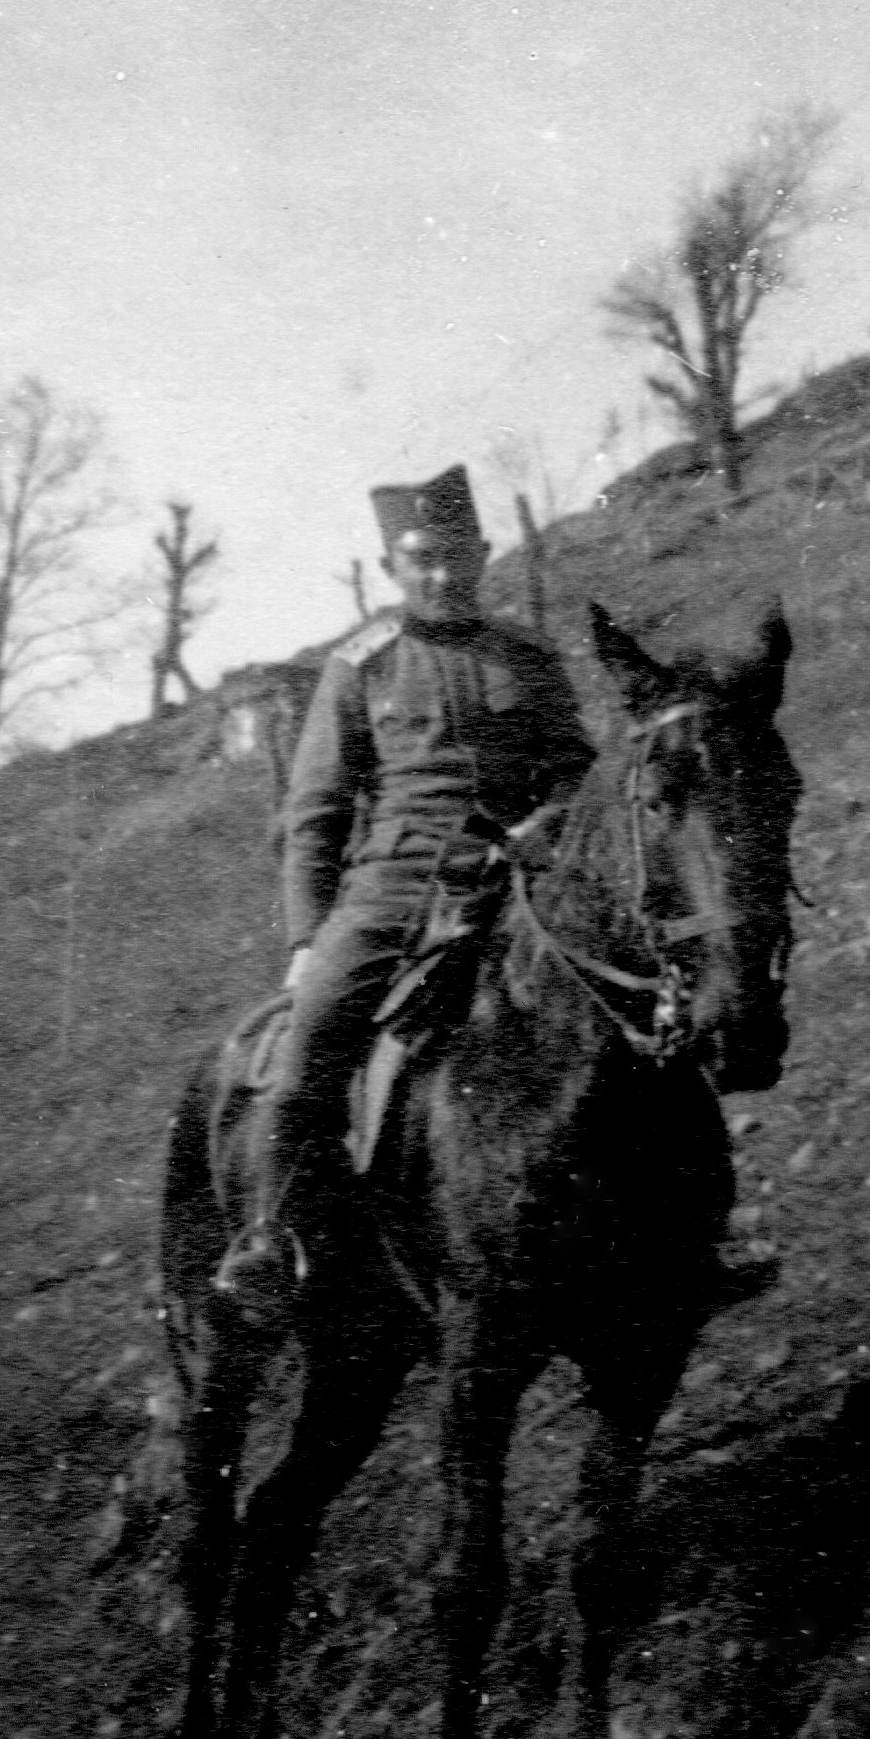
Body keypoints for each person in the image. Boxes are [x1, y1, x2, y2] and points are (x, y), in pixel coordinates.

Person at [214, 465, 596, 1305]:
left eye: (457, 555)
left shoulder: (528, 657)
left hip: (520, 887)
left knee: (639, 1003)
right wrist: (306, 938)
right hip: (392, 895)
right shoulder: (361, 667)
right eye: (422, 558)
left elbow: (578, 772)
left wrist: (545, 826)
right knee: (313, 1034)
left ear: (484, 554)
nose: (442, 574)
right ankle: (270, 1237)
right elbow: (314, 814)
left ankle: (692, 1228)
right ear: (392, 567)